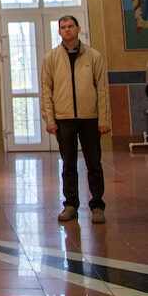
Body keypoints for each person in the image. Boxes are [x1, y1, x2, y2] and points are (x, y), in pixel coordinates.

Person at [41, 15, 111, 224]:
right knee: (68, 164)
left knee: (94, 163)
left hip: (90, 118)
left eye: (71, 26)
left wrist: (103, 119)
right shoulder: (50, 58)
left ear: (78, 29)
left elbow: (102, 89)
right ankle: (70, 205)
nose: (67, 30)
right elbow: (46, 91)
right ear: (59, 31)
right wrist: (49, 119)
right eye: (63, 27)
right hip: (64, 119)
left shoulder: (94, 56)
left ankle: (97, 205)